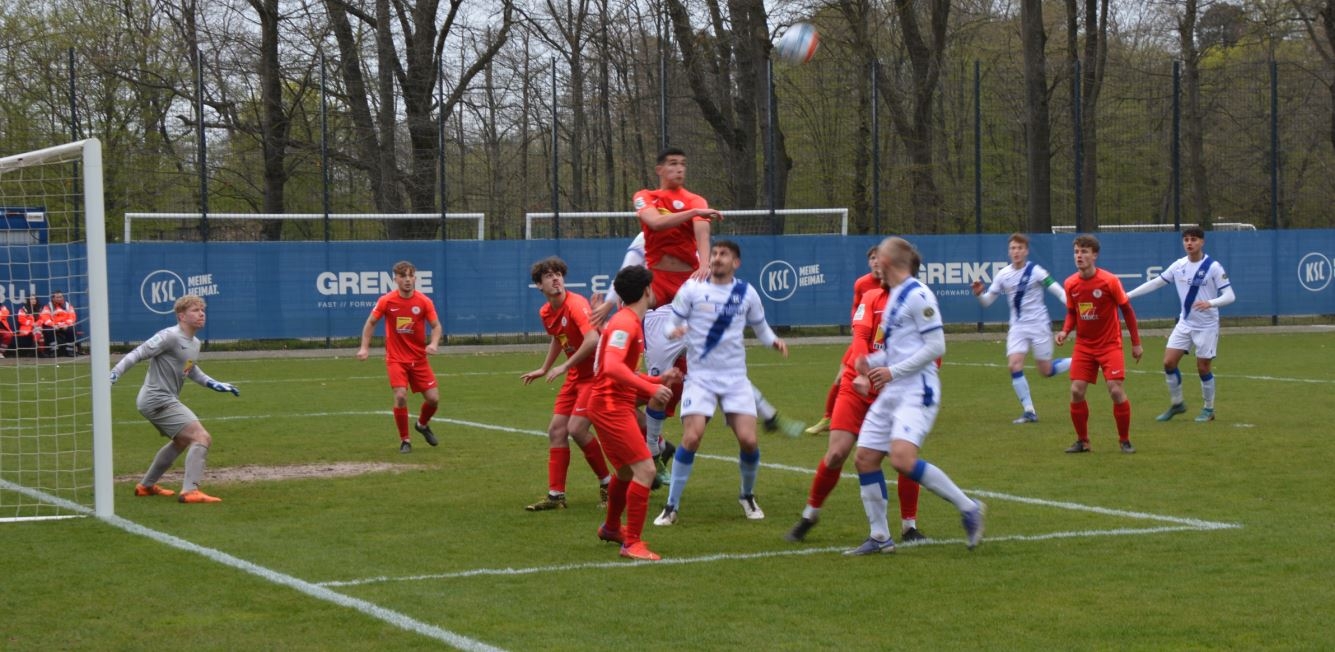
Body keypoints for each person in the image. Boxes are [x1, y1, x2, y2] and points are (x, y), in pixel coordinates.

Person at [846, 237, 985, 555]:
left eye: (878, 258)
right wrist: (870, 363)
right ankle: (880, 537)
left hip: (917, 389)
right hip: (894, 389)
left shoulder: (919, 295)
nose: (874, 264)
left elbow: (936, 347)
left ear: (888, 262)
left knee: (901, 459)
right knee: (865, 458)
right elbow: (898, 350)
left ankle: (969, 508)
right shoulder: (894, 296)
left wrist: (891, 371)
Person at [786, 247, 925, 544]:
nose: (880, 267)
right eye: (878, 261)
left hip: (894, 390)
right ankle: (810, 515)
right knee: (837, 453)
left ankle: (909, 526)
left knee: (903, 458)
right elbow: (860, 337)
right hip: (857, 383)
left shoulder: (921, 302)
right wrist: (862, 371)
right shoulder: (870, 295)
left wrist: (901, 377)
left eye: (887, 263)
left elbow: (932, 353)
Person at [653, 240, 788, 527]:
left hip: (735, 379)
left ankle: (747, 495)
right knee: (692, 438)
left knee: (749, 441)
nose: (716, 258)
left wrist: (774, 341)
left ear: (735, 262)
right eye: (713, 253)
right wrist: (673, 331)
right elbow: (669, 324)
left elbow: (762, 329)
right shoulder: (692, 288)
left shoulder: (746, 292)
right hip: (699, 379)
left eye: (723, 254)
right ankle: (671, 506)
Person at [109, 294, 238, 503]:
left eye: (202, 310)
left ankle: (145, 486)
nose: (201, 314)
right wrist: (114, 373)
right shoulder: (169, 336)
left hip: (161, 399)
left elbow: (190, 369)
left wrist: (214, 383)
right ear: (181, 316)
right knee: (201, 437)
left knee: (181, 441)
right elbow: (138, 353)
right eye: (195, 310)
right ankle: (190, 491)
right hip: (157, 399)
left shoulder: (194, 343)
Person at [590, 265, 681, 561]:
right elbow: (612, 368)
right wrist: (651, 390)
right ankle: (632, 544)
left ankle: (611, 528)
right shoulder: (626, 323)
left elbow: (622, 370)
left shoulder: (627, 321)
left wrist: (658, 380)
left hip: (611, 404)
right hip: (611, 407)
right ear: (647, 291)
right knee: (646, 471)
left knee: (626, 471)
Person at [520, 256, 613, 511]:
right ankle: (556, 496)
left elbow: (592, 339)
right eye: (549, 276)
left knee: (577, 429)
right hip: (576, 377)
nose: (555, 279)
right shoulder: (545, 312)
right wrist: (545, 368)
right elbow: (557, 337)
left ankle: (608, 484)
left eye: (558, 274)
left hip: (595, 375)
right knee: (556, 431)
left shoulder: (576, 304)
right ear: (539, 285)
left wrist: (564, 366)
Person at [1125, 227, 1235, 423]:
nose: (1189, 243)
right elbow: (1156, 283)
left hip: (1207, 326)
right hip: (1185, 323)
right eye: (1186, 240)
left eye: (1194, 239)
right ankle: (1177, 404)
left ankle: (1208, 409)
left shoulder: (1213, 267)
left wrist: (1210, 303)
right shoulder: (1178, 265)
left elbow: (1230, 296)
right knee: (1168, 362)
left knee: (1203, 368)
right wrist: (1128, 295)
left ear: (1202, 242)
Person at [1055, 235, 1143, 454]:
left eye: (1084, 251)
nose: (1079, 256)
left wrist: (1136, 343)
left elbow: (1127, 310)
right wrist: (1065, 331)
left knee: (1115, 390)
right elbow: (1072, 313)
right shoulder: (1070, 283)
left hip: (1110, 344)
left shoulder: (1109, 281)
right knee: (1076, 391)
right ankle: (1083, 441)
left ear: (1095, 255)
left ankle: (1124, 441)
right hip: (1084, 346)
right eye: (1076, 252)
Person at [970, 233, 1071, 424]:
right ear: (1009, 252)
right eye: (1013, 248)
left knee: (1046, 370)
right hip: (1018, 327)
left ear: (1026, 251)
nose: (1016, 251)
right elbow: (986, 302)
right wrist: (979, 294)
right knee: (1014, 365)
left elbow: (1059, 292)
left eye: (1019, 248)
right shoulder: (1003, 275)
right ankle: (1029, 411)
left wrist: (1073, 307)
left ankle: (1079, 362)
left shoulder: (1036, 271)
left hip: (1039, 325)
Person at [356, 260, 443, 454]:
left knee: (433, 399)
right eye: (403, 276)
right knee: (401, 395)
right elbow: (371, 323)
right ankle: (405, 440)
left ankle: (422, 425)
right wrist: (364, 348)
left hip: (419, 359)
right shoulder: (386, 301)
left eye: (410, 276)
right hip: (396, 359)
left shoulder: (424, 301)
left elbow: (436, 326)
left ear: (415, 278)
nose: (407, 280)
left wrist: (434, 343)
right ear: (395, 279)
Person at [806, 245, 880, 435]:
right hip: (862, 340)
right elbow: (856, 307)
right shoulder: (862, 283)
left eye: (879, 258)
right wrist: (856, 324)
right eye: (872, 258)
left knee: (881, 379)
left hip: (882, 344)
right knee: (841, 377)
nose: (876, 262)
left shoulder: (894, 284)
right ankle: (827, 418)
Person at [39, 290, 79, 357]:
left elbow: (72, 316)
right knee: (48, 329)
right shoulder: (48, 306)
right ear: (53, 298)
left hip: (65, 325)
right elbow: (45, 318)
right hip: (54, 325)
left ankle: (70, 350)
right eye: (57, 297)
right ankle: (54, 350)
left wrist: (66, 324)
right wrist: (53, 325)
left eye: (61, 297)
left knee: (71, 329)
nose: (59, 299)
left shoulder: (68, 305)